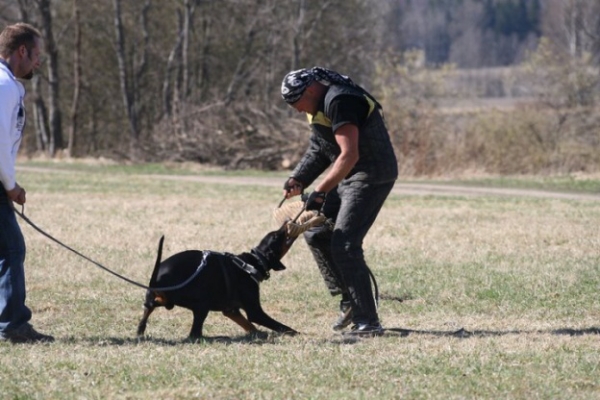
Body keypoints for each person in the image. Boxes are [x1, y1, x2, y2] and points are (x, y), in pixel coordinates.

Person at [280, 67, 398, 337]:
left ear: (310, 91)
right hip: (347, 175)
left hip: (370, 174)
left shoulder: (340, 100)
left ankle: (367, 321)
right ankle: (349, 301)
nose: (297, 110)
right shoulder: (316, 105)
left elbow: (349, 155)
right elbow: (320, 148)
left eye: (296, 104)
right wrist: (298, 178)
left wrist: (319, 191)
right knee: (317, 232)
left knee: (345, 243)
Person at [0, 22, 54, 343]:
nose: (38, 63)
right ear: (22, 51)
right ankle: (13, 326)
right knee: (11, 248)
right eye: (36, 55)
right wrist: (10, 185)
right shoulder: (4, 86)